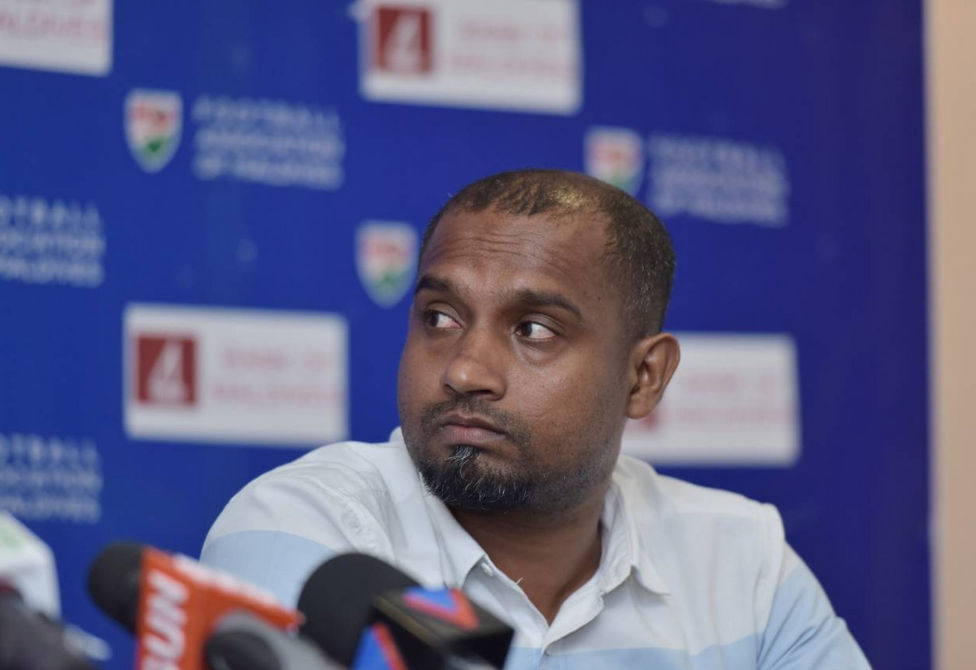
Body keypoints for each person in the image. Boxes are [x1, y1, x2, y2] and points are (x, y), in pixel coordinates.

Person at [202, 169, 870, 669]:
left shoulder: (742, 563)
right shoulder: (302, 529)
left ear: (643, 377)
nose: (465, 371)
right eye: (440, 317)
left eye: (533, 330)